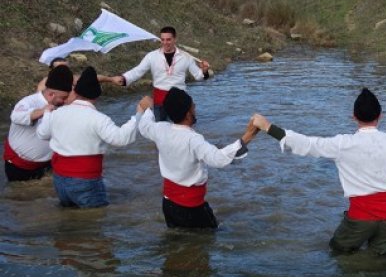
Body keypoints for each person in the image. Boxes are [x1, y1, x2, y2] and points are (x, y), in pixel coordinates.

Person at [250, 88, 386, 255]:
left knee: (337, 252)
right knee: (385, 263)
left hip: (361, 215)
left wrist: (268, 127)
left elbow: (307, 144)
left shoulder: (343, 144)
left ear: (353, 117)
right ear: (380, 116)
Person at [138, 88, 258, 229]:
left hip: (168, 204)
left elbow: (144, 126)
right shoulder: (193, 139)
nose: (195, 108)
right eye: (193, 106)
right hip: (191, 208)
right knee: (208, 241)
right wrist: (249, 135)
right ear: (188, 114)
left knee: (178, 245)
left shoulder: (160, 129)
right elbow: (218, 159)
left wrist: (147, 109)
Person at [36, 67, 143, 208]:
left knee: (68, 222)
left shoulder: (57, 113)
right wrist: (139, 113)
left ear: (76, 92)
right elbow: (121, 139)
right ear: (96, 96)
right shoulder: (99, 119)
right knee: (94, 222)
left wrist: (48, 113)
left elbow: (42, 134)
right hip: (85, 180)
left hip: (59, 179)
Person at [113, 26, 211, 122]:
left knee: (179, 132)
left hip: (179, 100)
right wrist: (124, 78)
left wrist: (204, 70)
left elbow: (199, 76)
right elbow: (138, 71)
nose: (165, 43)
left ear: (175, 39)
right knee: (160, 130)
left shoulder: (186, 57)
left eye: (168, 39)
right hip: (160, 100)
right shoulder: (151, 56)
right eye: (162, 39)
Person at [4, 66, 73, 182]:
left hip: (49, 165)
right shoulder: (29, 102)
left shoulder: (62, 106)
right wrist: (44, 111)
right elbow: (16, 117)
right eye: (64, 98)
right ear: (51, 94)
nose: (66, 101)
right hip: (19, 167)